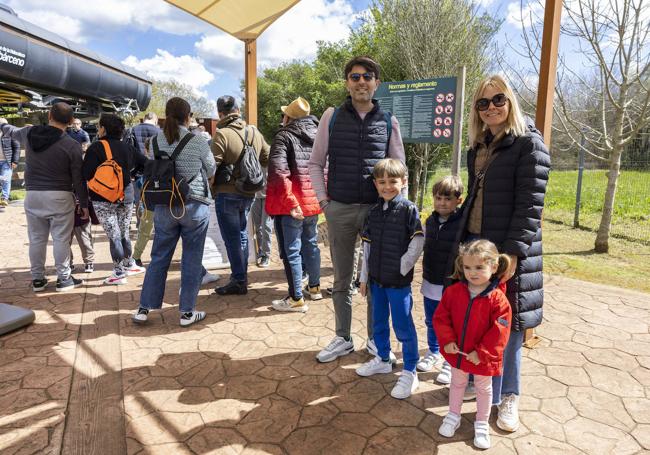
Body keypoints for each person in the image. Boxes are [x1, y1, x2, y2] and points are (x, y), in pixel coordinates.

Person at [461, 74, 550, 431]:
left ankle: (508, 395)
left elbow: (531, 205)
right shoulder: (478, 146)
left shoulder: (528, 143)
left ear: (511, 101)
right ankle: (480, 381)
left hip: (510, 251)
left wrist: (512, 252)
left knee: (509, 324)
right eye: (483, 103)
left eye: (498, 99)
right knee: (478, 316)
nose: (491, 107)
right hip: (478, 245)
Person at [308, 56, 407, 362]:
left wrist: (398, 208)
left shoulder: (389, 120)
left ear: (377, 83)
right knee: (341, 279)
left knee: (376, 279)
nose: (361, 81)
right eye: (355, 76)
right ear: (347, 83)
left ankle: (376, 340)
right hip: (340, 209)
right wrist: (325, 202)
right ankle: (342, 337)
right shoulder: (331, 117)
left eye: (368, 76)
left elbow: (400, 167)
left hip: (378, 213)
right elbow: (315, 162)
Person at [134, 97, 216, 327]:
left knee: (159, 256)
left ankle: (144, 307)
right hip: (193, 202)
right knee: (191, 257)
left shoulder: (154, 141)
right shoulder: (197, 140)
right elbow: (211, 167)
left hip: (164, 203)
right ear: (188, 116)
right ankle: (187, 312)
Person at [0, 103, 88, 291]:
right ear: (72, 121)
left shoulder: (30, 133)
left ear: (49, 115)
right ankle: (64, 279)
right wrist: (84, 203)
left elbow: (11, 131)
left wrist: (2, 124)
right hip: (61, 196)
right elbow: (78, 179)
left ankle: (38, 279)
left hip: (33, 195)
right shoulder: (72, 145)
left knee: (37, 239)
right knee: (60, 239)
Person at [433, 239, 512, 449]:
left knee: (484, 389)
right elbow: (441, 318)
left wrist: (482, 352)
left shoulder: (498, 300)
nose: (472, 272)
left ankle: (481, 423)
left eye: (479, 267)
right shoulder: (453, 292)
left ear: (493, 267)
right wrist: (448, 340)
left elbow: (500, 331)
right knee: (457, 383)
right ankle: (453, 415)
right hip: (459, 353)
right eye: (467, 267)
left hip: (481, 357)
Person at [355, 159, 423, 399]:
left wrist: (402, 267)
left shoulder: (408, 210)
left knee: (403, 326)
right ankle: (383, 358)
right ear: (375, 184)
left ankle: (410, 371)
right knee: (379, 323)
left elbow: (417, 241)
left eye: (392, 181)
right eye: (381, 182)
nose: (387, 187)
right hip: (377, 282)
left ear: (403, 182)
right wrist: (364, 277)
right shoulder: (373, 213)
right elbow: (367, 248)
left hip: (398, 283)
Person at [265, 97, 322, 312]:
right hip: (313, 201)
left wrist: (290, 201)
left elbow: (279, 173)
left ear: (287, 116)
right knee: (311, 245)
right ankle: (314, 288)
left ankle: (296, 298)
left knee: (292, 251)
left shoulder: (284, 136)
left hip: (291, 205)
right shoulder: (320, 136)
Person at [211, 95, 270, 295]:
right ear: (238, 109)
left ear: (220, 113)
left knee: (232, 238)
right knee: (242, 234)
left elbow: (212, 167)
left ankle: (238, 279)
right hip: (249, 192)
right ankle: (241, 276)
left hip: (227, 193)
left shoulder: (222, 134)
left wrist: (210, 189)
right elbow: (267, 157)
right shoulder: (254, 131)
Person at [82, 114, 147, 285]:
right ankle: (129, 264)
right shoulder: (128, 148)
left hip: (103, 199)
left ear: (103, 128)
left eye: (99, 127)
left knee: (114, 235)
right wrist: (132, 175)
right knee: (124, 232)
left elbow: (86, 174)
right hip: (126, 195)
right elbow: (145, 163)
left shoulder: (95, 148)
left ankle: (118, 273)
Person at [417, 175, 464, 382]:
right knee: (432, 321)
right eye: (438, 198)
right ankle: (433, 351)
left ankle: (450, 361)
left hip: (451, 285)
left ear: (458, 201)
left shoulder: (462, 223)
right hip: (430, 281)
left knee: (452, 324)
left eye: (447, 198)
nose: (442, 203)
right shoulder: (430, 221)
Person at [250, 180, 273, 268]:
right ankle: (260, 251)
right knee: (257, 227)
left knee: (266, 226)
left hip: (268, 196)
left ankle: (266, 255)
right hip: (253, 195)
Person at [0, 126, 20, 206]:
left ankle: (4, 198)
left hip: (6, 161)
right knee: (3, 179)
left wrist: (15, 161)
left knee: (6, 179)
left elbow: (16, 147)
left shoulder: (11, 134)